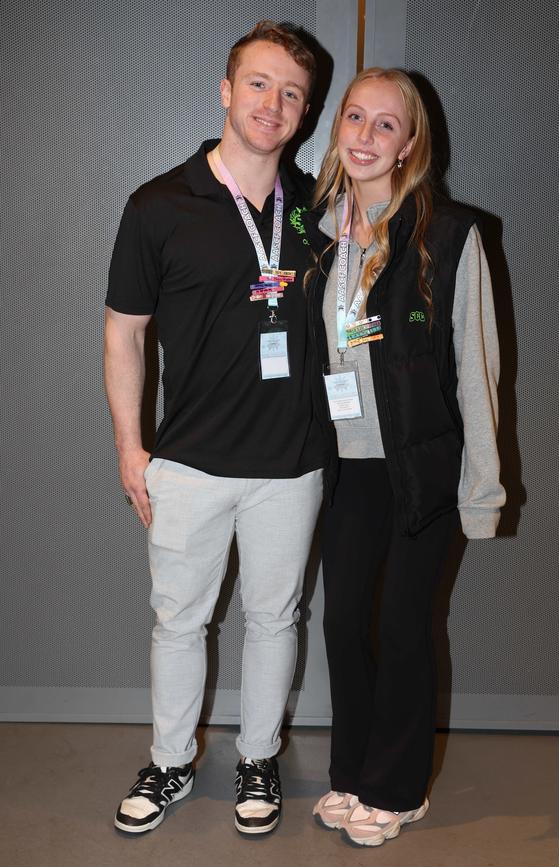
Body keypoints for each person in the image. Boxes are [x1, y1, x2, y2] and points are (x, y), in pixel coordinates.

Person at [104, 21, 324, 836]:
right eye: (260, 84)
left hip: (293, 461)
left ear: (304, 114)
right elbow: (124, 331)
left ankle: (258, 756)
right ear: (227, 92)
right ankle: (169, 761)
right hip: (188, 460)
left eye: (292, 93)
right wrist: (131, 446)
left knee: (276, 617)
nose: (274, 104)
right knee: (179, 620)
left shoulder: (316, 207)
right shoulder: (158, 204)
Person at [304, 68, 506, 847]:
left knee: (402, 623)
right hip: (347, 467)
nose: (364, 135)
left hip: (420, 466)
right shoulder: (318, 235)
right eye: (355, 117)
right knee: (345, 619)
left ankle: (398, 787)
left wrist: (480, 492)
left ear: (410, 144)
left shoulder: (450, 235)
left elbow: (476, 368)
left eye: (385, 124)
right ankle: (353, 771)